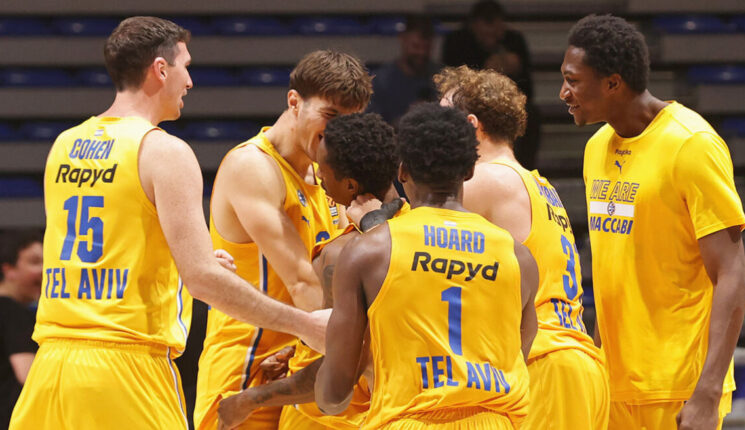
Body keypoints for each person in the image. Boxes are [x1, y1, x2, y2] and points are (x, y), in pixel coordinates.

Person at [9, 17, 330, 430]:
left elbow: (103, 248)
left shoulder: (64, 144)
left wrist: (179, 263)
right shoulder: (164, 152)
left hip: (51, 366)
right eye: (186, 66)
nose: (190, 81)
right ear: (161, 70)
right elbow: (203, 281)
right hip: (124, 367)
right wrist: (305, 324)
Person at [560, 14, 745, 430]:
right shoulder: (596, 148)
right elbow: (613, 268)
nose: (564, 93)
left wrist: (707, 391)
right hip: (614, 384)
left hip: (678, 387)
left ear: (613, 83)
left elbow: (732, 275)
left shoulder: (692, 144)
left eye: (573, 81)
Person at [315, 103, 539, 429]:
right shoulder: (519, 257)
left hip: (408, 420)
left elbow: (333, 395)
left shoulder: (367, 251)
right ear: (469, 171)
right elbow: (519, 354)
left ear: (402, 171)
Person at [195, 50, 373, 430]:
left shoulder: (326, 176)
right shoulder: (254, 166)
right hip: (247, 369)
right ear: (294, 102)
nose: (338, 133)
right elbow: (302, 282)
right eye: (330, 116)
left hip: (301, 363)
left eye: (349, 122)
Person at [435, 65, 609, 428]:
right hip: (577, 364)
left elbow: (410, 240)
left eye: (442, 119)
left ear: (470, 125)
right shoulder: (536, 183)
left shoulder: (486, 180)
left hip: (546, 362)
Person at [217, 112, 402, 430]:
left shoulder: (341, 255)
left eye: (324, 173)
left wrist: (250, 399)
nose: (320, 181)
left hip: (330, 420)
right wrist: (298, 349)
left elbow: (339, 369)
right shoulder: (420, 235)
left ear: (350, 185)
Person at [442, 0, 539, 169]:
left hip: (506, 104)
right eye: (486, 27)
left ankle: (523, 167)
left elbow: (528, 91)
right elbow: (451, 82)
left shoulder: (513, 42)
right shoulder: (458, 42)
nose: (491, 33)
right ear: (474, 25)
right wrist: (487, 68)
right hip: (467, 103)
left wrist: (514, 70)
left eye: (496, 27)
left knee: (532, 114)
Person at [0, 230, 42, 428]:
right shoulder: (13, 313)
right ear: (9, 270)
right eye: (35, 262)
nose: (44, 270)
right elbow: (29, 376)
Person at [368, 14, 441, 125]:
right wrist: (407, 119)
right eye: (416, 46)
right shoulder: (380, 82)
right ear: (402, 39)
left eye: (426, 48)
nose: (421, 53)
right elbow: (372, 126)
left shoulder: (442, 78)